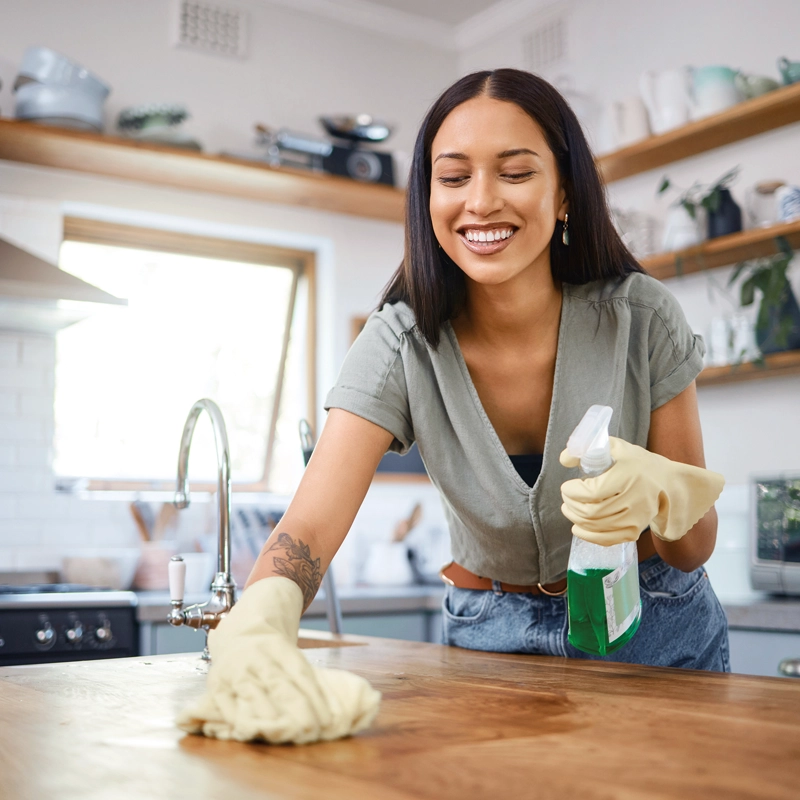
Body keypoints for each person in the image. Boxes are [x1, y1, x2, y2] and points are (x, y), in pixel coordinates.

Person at [178, 69, 727, 745]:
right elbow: (310, 527)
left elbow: (693, 549)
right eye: (454, 176)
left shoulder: (643, 319)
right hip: (488, 643)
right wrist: (260, 619)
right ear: (427, 196)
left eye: (516, 173)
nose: (482, 202)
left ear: (564, 195)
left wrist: (665, 494)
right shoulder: (398, 343)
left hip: (658, 636)